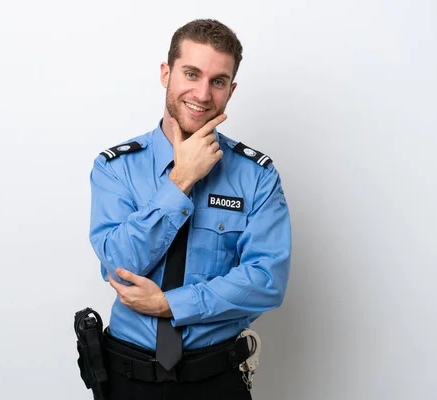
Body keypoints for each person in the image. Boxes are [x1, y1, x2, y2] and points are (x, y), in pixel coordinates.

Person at [88, 19, 291, 400]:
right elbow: (117, 261)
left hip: (216, 378)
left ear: (231, 90)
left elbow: (267, 280)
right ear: (166, 73)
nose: (202, 93)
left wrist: (170, 305)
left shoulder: (256, 176)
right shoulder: (115, 168)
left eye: (217, 81)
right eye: (191, 73)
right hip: (126, 376)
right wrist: (180, 181)